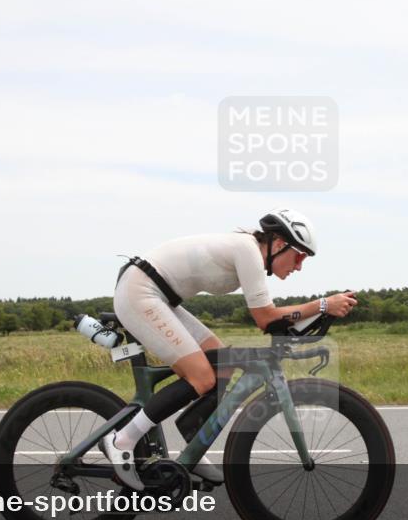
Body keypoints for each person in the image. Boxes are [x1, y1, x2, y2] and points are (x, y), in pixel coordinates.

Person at [102, 209, 359, 490]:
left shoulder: (250, 253)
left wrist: (318, 312)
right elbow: (265, 317)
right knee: (202, 378)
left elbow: (273, 320)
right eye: (298, 256)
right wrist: (322, 305)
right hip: (140, 292)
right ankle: (122, 440)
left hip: (160, 296)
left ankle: (194, 444)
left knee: (223, 365)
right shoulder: (247, 251)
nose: (299, 266)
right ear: (277, 244)